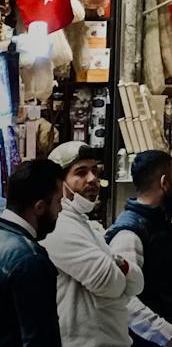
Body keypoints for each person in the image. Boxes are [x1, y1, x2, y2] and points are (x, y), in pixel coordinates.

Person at [45, 142, 143, 347]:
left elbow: (137, 283)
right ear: (58, 183)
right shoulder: (59, 226)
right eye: (81, 172)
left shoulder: (85, 225)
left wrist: (117, 263)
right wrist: (115, 265)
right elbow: (111, 283)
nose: (92, 180)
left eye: (95, 171)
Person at [106, 150, 172, 347]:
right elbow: (124, 300)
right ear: (164, 182)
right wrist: (168, 336)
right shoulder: (129, 234)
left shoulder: (161, 224)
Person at [0, 157, 64, 347]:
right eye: (58, 202)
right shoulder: (30, 259)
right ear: (40, 207)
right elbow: (39, 338)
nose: (61, 210)